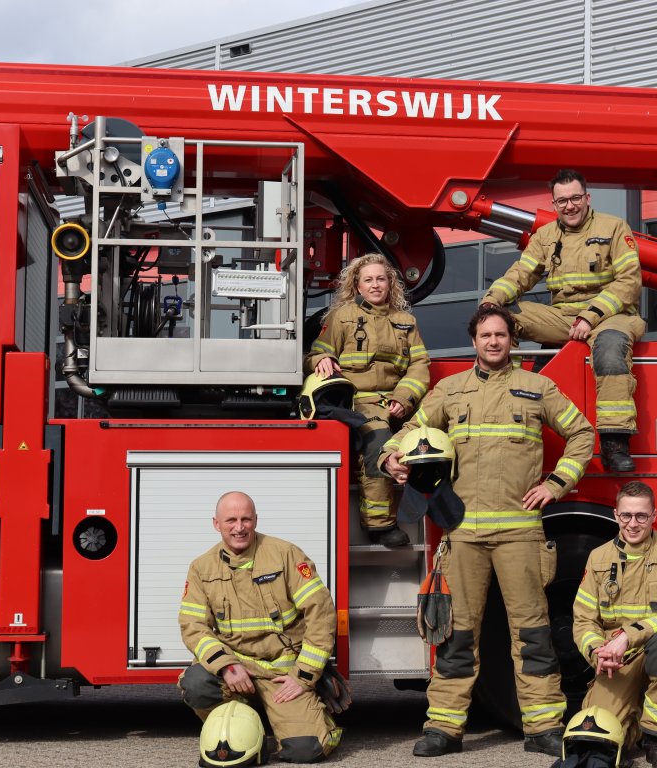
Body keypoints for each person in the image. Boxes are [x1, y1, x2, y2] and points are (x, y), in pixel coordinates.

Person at [381, 304, 595, 758]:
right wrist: (391, 456)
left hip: (520, 535)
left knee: (533, 633)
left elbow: (582, 434)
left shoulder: (538, 388)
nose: (493, 342)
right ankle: (444, 728)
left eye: (500, 334)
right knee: (456, 634)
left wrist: (555, 484)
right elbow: (412, 429)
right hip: (462, 535)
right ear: (474, 341)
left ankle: (543, 727)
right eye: (485, 335)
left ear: (512, 340)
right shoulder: (450, 390)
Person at [481, 168, 644, 472]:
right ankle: (505, 402)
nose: (570, 206)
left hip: (612, 315)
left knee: (610, 351)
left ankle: (614, 443)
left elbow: (629, 283)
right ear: (553, 203)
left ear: (587, 198)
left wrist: (590, 316)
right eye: (562, 201)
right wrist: (491, 301)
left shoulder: (614, 227)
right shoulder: (545, 236)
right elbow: (521, 274)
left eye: (575, 198)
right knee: (500, 319)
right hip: (563, 316)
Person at [178, 491, 343, 764]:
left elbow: (321, 613)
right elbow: (193, 626)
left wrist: (304, 674)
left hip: (283, 673)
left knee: (306, 749)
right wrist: (226, 665)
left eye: (246, 519)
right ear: (216, 524)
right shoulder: (201, 568)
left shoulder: (285, 555)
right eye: (231, 520)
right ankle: (246, 728)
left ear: (256, 520)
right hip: (236, 671)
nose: (239, 527)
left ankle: (320, 721)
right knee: (196, 683)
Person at [306, 252, 430, 547]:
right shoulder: (342, 317)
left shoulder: (406, 321)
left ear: (390, 284)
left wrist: (404, 397)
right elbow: (315, 353)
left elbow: (419, 365)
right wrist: (322, 359)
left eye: (381, 279)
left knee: (434, 436)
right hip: (359, 402)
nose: (375, 285)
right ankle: (379, 525)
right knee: (379, 442)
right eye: (368, 280)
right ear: (357, 286)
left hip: (398, 400)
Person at [572, 481, 657, 768]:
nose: (633, 524)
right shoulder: (598, 558)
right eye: (627, 515)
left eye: (641, 516)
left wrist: (628, 636)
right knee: (601, 737)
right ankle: (638, 723)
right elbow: (583, 619)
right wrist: (597, 651)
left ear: (654, 516)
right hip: (617, 657)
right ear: (616, 515)